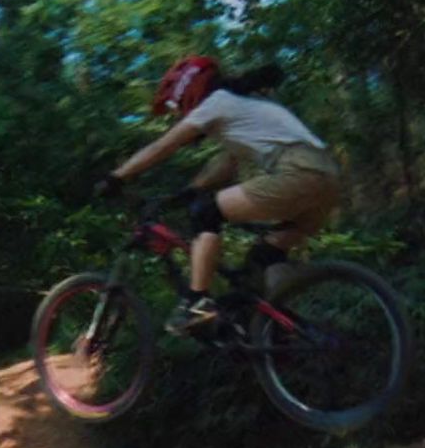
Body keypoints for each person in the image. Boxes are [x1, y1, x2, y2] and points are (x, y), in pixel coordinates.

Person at [94, 56, 342, 334]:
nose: (179, 115)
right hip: (328, 179)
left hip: (298, 172)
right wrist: (190, 191)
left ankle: (196, 301)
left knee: (206, 212)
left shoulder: (217, 102)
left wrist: (117, 176)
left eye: (177, 108)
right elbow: (225, 165)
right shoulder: (242, 108)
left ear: (188, 91)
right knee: (266, 255)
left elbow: (163, 146)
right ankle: (285, 332)